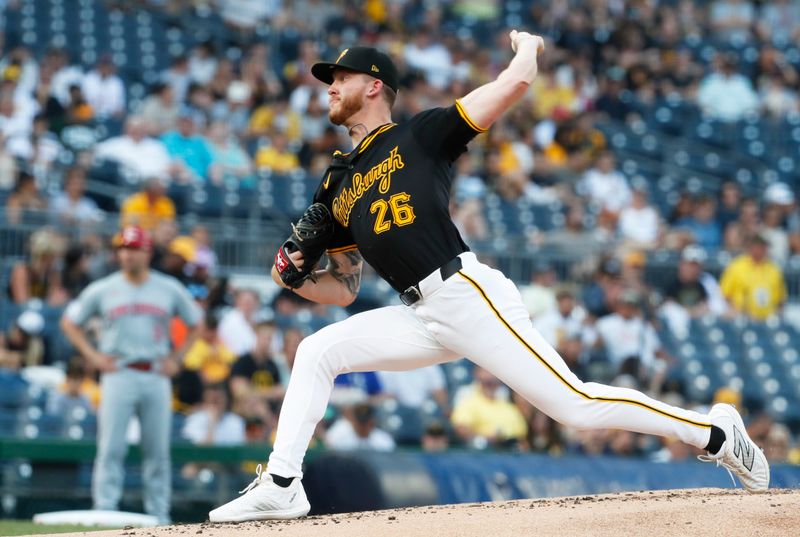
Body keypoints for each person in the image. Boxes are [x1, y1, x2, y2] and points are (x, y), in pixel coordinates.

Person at [209, 34, 769, 523]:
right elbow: (344, 288)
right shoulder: (336, 183)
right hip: (421, 316)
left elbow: (513, 85)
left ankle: (716, 434)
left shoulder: (421, 136)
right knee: (316, 351)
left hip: (465, 292)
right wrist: (293, 278)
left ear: (374, 85)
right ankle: (282, 485)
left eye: (341, 76)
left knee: (574, 406)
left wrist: (528, 46)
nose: (330, 86)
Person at [60, 225, 202, 525]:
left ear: (147, 252)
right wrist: (94, 356)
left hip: (155, 373)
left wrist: (177, 358)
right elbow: (70, 322)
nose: (127, 254)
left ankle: (159, 516)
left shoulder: (168, 287)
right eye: (123, 248)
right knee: (110, 447)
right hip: (118, 372)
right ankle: (104, 511)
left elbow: (197, 322)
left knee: (157, 450)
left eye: (134, 248)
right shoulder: (104, 287)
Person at [720, 233, 787, 321]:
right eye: (758, 246)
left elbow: (781, 298)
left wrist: (778, 314)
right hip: (742, 318)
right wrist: (734, 310)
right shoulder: (736, 266)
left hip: (768, 319)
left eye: (764, 247)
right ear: (751, 247)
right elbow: (724, 293)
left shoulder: (774, 269)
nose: (761, 250)